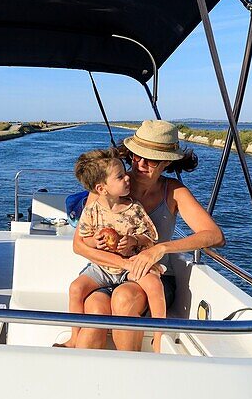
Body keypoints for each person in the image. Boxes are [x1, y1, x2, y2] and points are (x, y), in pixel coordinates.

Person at [74, 120, 225, 352]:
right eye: (136, 156)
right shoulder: (108, 187)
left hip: (153, 276)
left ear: (166, 162)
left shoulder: (174, 192)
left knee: (124, 298)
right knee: (94, 306)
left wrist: (161, 248)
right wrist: (120, 260)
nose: (140, 163)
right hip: (108, 271)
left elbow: (214, 235)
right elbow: (80, 245)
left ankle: (131, 371)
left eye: (151, 159)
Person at [59, 149, 167, 352]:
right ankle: (74, 337)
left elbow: (150, 237)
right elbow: (84, 239)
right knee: (76, 288)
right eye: (120, 176)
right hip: (103, 267)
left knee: (154, 284)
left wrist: (134, 241)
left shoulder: (134, 208)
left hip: (131, 264)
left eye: (125, 173)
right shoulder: (91, 211)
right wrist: (95, 242)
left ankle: (160, 337)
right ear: (102, 188)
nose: (128, 178)